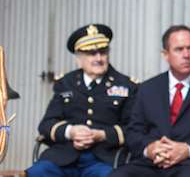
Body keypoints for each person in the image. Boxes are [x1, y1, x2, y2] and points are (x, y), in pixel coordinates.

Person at [110, 26, 190, 177]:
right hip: (152, 163)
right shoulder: (147, 88)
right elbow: (133, 132)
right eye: (179, 49)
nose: (186, 55)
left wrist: (187, 149)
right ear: (165, 54)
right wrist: (149, 148)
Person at [29, 24, 139, 177]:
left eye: (103, 52)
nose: (98, 58)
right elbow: (46, 124)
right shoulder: (65, 83)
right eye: (91, 53)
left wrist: (101, 134)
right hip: (64, 156)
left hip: (105, 159)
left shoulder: (127, 85)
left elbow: (134, 129)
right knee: (38, 172)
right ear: (79, 59)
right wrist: (71, 132)